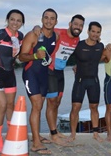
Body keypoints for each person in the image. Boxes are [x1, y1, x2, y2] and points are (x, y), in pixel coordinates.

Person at [0, 9, 26, 154]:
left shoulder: (21, 36)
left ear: (22, 23)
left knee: (10, 106)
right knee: (1, 105)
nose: (15, 23)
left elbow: (19, 57)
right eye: (12, 19)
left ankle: (11, 135)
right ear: (7, 20)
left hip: (10, 75)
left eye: (19, 20)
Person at [18, 8, 58, 155]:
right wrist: (35, 56)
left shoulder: (56, 36)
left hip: (44, 75)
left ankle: (37, 135)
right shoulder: (33, 35)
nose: (49, 21)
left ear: (56, 22)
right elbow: (21, 57)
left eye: (52, 18)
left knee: (39, 107)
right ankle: (35, 143)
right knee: (37, 105)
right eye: (46, 18)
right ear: (41, 20)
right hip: (31, 74)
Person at [44, 15, 83, 145]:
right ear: (70, 23)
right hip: (50, 70)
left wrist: (77, 64)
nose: (78, 27)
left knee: (57, 102)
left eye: (81, 25)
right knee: (51, 102)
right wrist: (37, 28)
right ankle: (54, 135)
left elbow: (77, 54)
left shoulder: (77, 40)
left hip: (60, 72)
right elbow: (45, 31)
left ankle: (53, 130)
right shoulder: (58, 32)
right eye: (76, 24)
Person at [69, 21, 106, 143]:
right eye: (93, 31)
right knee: (75, 107)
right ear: (88, 31)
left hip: (93, 81)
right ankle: (73, 134)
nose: (95, 34)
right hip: (80, 80)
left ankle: (95, 133)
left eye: (98, 32)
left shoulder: (100, 46)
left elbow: (106, 55)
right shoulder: (79, 45)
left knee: (94, 107)